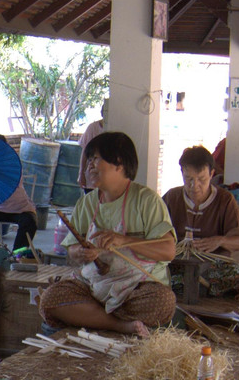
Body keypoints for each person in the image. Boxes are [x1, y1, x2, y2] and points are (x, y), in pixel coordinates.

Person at [38, 132, 177, 339]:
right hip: (94, 288)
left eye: (96, 159)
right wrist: (81, 253)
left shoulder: (146, 201)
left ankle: (93, 316)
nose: (89, 166)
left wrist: (125, 241)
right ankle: (121, 325)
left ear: (119, 163)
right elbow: (71, 250)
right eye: (89, 159)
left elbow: (168, 251)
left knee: (163, 302)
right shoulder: (87, 203)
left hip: (136, 288)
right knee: (50, 299)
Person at [161, 146, 239, 254]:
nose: (194, 185)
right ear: (182, 173)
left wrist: (220, 241)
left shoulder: (225, 200)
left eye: (201, 179)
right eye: (188, 178)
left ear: (211, 174)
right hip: (176, 264)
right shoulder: (171, 197)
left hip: (213, 266)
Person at [77, 99, 108, 190]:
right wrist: (81, 173)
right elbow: (85, 152)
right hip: (91, 177)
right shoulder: (93, 128)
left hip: (106, 178)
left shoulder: (114, 128)